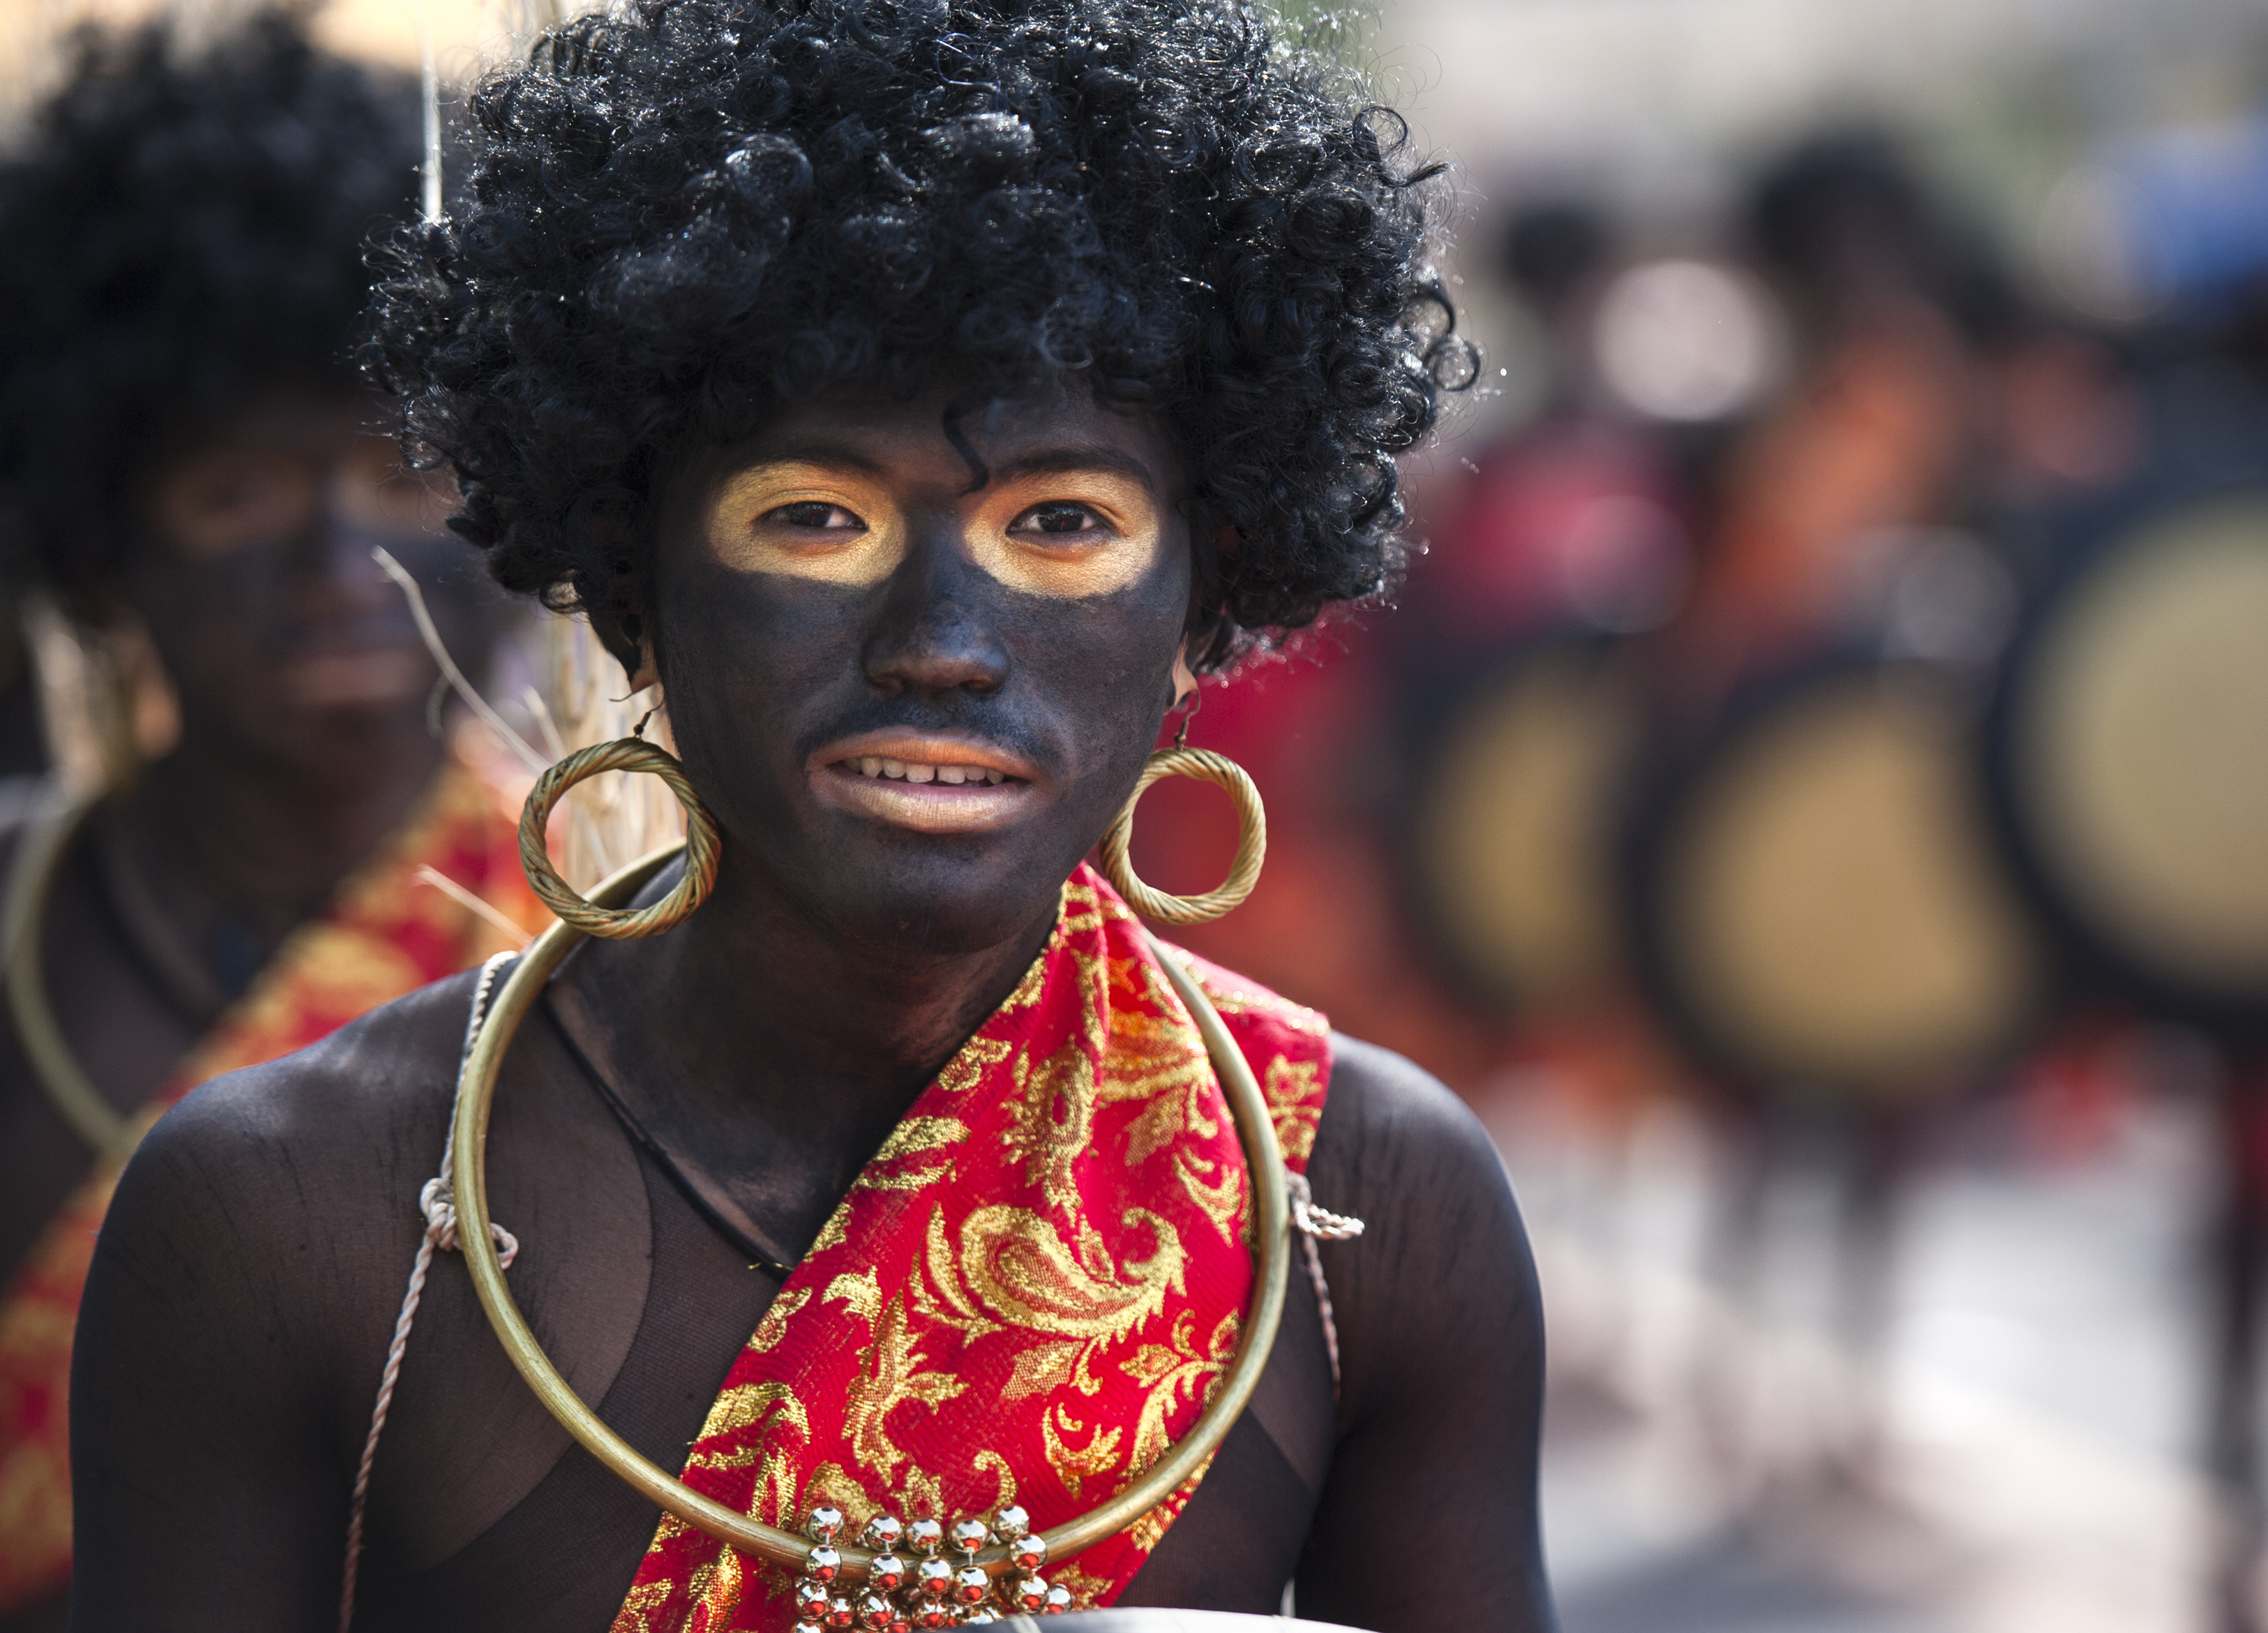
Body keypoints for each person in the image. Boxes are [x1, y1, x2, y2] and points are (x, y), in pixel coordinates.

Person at [66, 2, 1552, 1631]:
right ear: (635, 591)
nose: (942, 643)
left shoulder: (1364, 1212)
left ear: (1209, 598)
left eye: (1063, 522)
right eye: (815, 518)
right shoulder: (291, 1210)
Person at [0, 17, 546, 1626]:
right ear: (106, 549)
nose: (336, 564)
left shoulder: (627, 937)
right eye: (236, 492)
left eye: (398, 477)